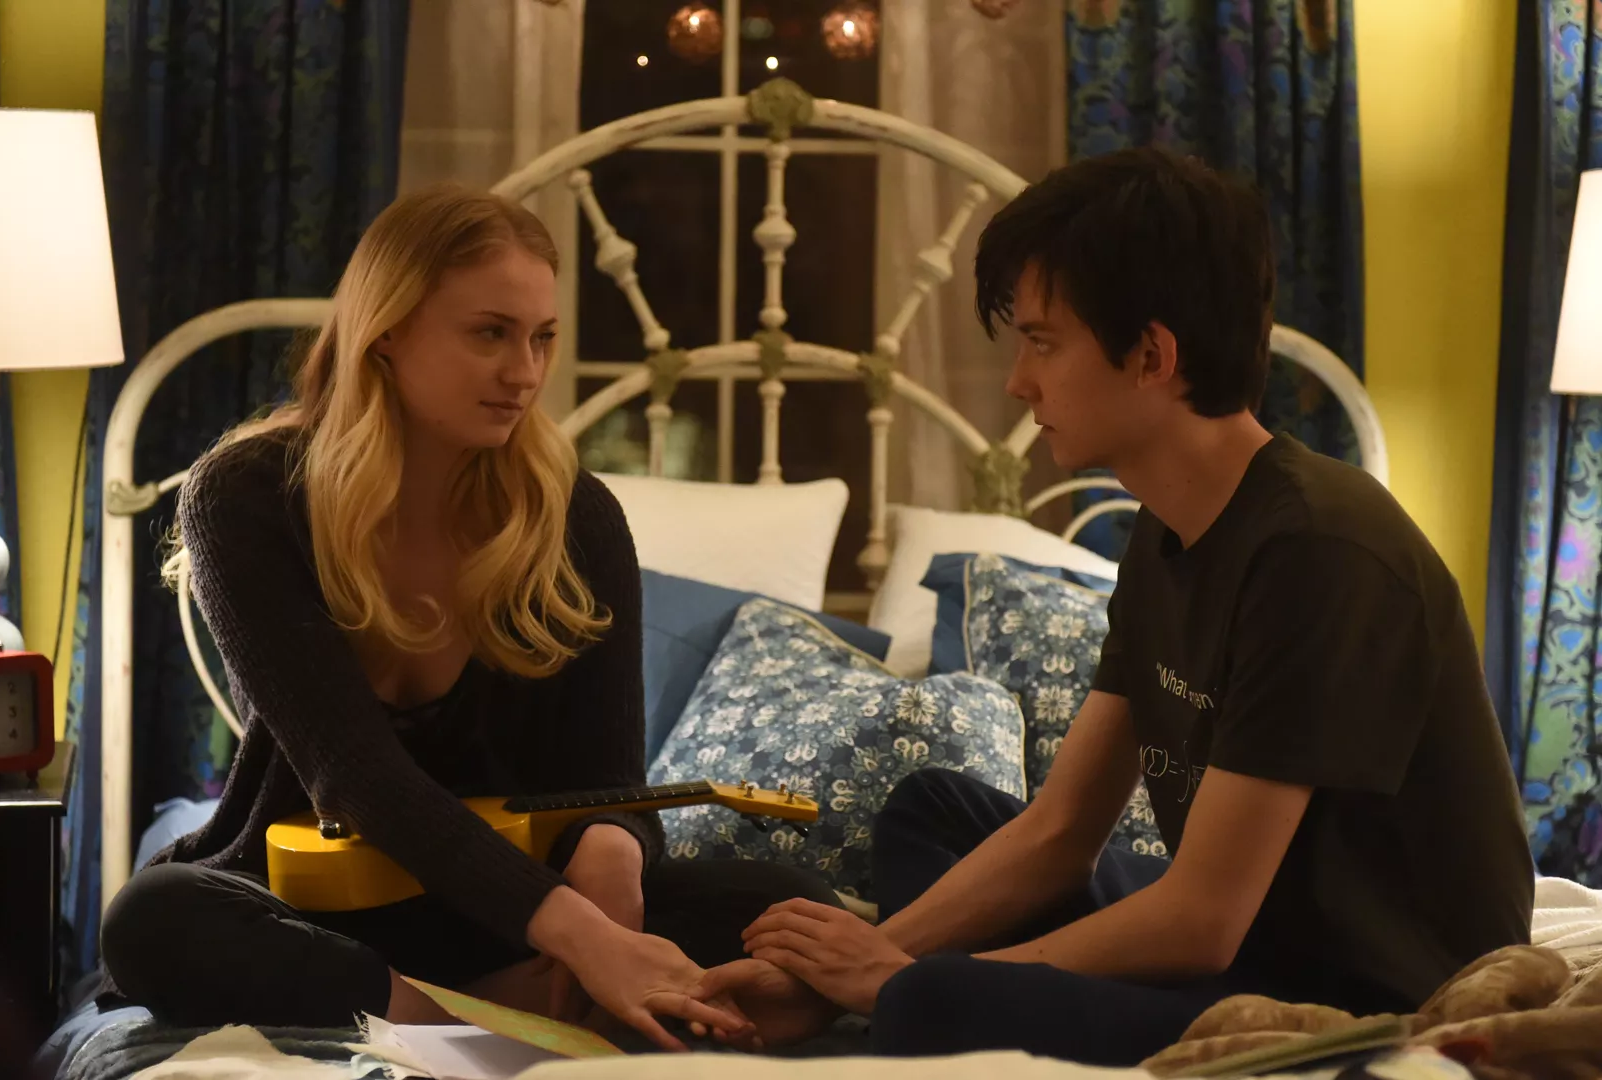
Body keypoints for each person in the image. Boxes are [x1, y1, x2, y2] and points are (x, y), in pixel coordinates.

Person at [700, 147, 1535, 1064]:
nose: (1019, 381)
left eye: (1042, 342)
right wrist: (856, 969)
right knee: (929, 809)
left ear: (1151, 356)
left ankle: (911, 1009)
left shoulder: (1318, 548)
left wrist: (903, 982)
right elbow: (1063, 830)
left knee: (932, 1000)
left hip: (1348, 992)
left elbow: (1202, 921)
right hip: (1250, 934)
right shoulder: (1165, 529)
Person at [98, 183, 840, 1050]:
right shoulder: (249, 496)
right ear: (386, 331)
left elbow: (608, 781)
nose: (524, 372)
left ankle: (496, 996)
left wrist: (614, 851)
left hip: (517, 912)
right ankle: (471, 1015)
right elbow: (357, 776)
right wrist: (587, 940)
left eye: (542, 337)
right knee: (153, 917)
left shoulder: (575, 515)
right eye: (490, 333)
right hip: (319, 907)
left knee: (794, 912)